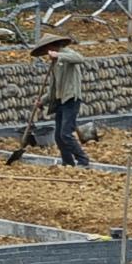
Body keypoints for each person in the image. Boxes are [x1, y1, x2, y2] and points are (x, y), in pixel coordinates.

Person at [34, 36, 89, 166]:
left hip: (71, 99)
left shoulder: (66, 53)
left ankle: (83, 160)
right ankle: (67, 162)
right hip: (60, 101)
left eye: (47, 49)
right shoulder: (54, 64)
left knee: (66, 134)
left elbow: (80, 58)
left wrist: (58, 55)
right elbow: (53, 89)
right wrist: (42, 101)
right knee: (58, 136)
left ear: (51, 46)